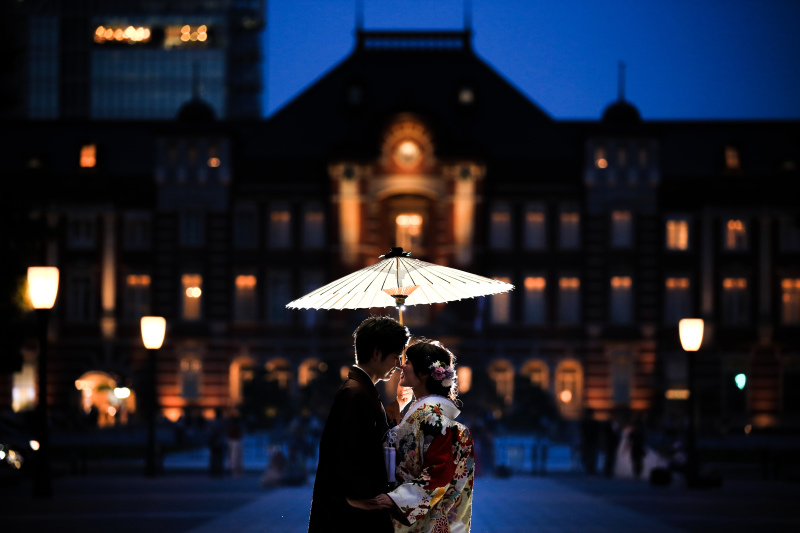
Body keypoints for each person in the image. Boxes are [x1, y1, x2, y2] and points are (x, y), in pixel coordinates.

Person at [307, 316, 411, 533]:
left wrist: (399, 405)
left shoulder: (361, 391)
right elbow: (345, 453)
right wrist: (358, 497)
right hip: (353, 517)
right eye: (395, 356)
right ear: (376, 353)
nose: (398, 366)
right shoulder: (356, 393)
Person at [360, 340, 475, 533]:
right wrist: (400, 403)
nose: (401, 365)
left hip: (425, 521)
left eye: (408, 362)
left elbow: (438, 475)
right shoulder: (429, 417)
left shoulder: (435, 422)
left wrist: (396, 498)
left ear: (423, 373)